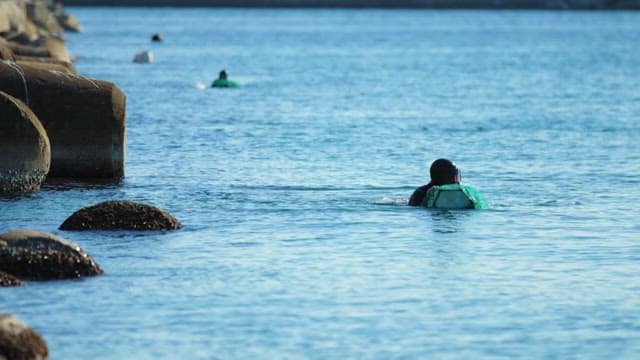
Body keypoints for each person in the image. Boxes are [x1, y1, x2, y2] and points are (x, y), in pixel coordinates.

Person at [408, 158, 488, 209]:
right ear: (443, 175)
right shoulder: (421, 193)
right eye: (453, 174)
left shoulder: (462, 192)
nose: (456, 178)